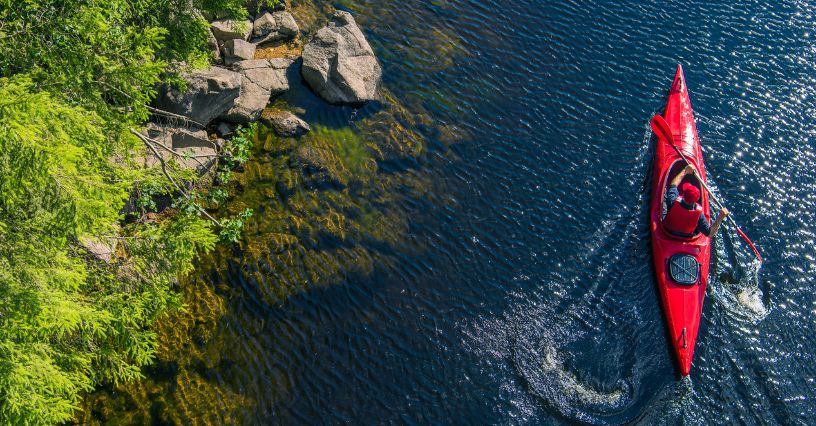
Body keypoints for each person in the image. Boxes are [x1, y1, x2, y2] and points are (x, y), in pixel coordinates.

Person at [664, 165, 728, 238]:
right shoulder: (699, 215)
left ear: (683, 195)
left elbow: (673, 184)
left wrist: (685, 170)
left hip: (669, 231)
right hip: (687, 236)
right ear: (697, 200)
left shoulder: (673, 200)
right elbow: (710, 233)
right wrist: (721, 216)